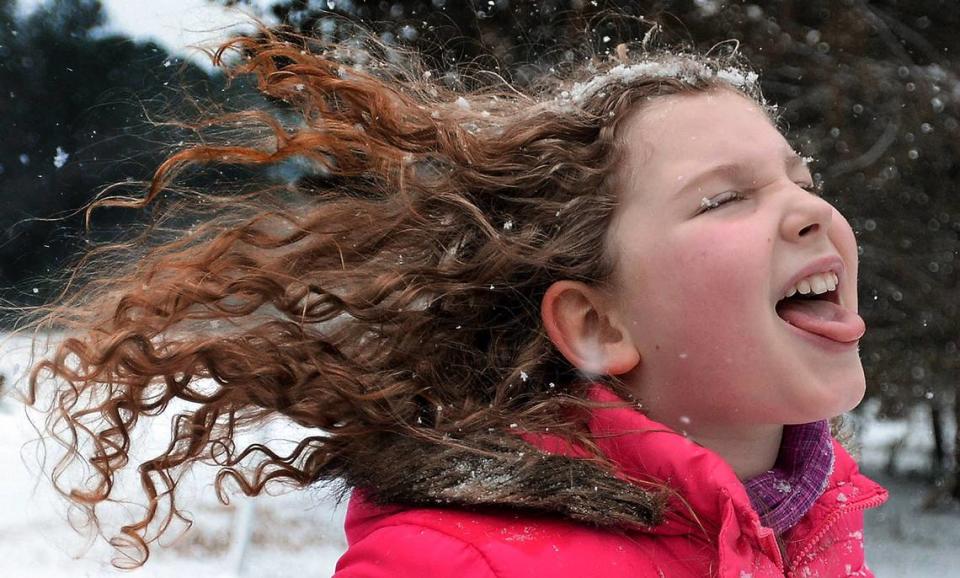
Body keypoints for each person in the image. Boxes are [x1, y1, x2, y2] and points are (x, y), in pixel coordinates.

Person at [23, 24, 886, 577]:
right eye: (725, 198)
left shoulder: (810, 520)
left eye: (800, 180)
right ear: (596, 324)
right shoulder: (451, 565)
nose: (812, 209)